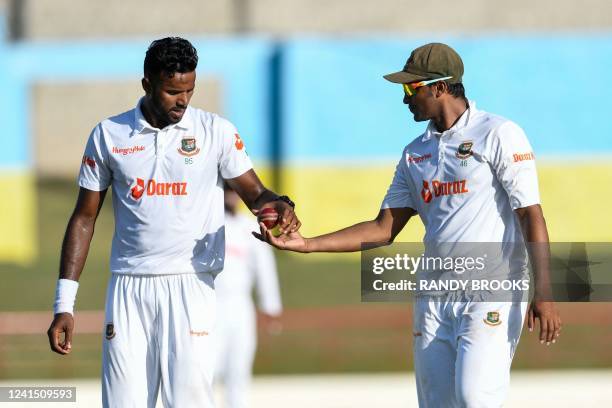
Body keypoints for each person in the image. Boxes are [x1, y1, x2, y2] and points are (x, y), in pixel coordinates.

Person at [256, 42, 561, 407]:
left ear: (440, 87)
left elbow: (531, 214)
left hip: (490, 291)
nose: (404, 99)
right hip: (433, 298)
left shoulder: (499, 134)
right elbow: (383, 228)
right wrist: (306, 244)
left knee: (474, 398)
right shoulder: (415, 153)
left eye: (410, 89)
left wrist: (544, 292)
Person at [46, 37, 299, 408]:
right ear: (147, 84)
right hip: (129, 287)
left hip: (192, 285)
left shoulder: (216, 131)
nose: (182, 101)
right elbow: (84, 218)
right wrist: (63, 304)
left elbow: (255, 193)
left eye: (189, 90)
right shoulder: (109, 135)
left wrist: (278, 206)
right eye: (171, 91)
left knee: (191, 401)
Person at [214, 184, 283, 408]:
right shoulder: (209, 224)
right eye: (228, 191)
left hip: (241, 306)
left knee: (240, 369)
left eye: (235, 192)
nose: (232, 196)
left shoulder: (249, 227)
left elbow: (265, 269)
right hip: (210, 306)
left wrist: (271, 307)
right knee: (208, 370)